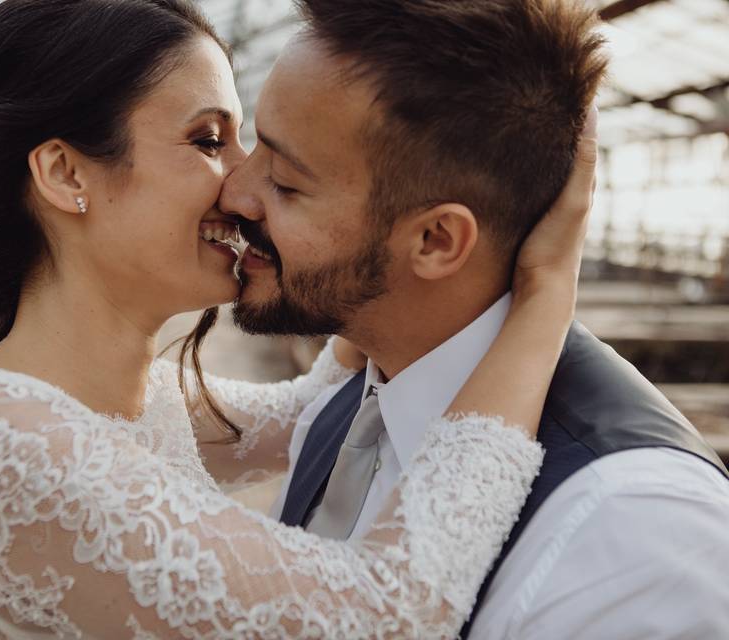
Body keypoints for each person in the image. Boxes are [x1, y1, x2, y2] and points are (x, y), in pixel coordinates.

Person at [0, 0, 597, 638]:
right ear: (67, 175)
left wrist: (360, 245)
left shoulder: (123, 399)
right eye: (208, 140)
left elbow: (313, 410)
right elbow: (380, 616)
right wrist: (544, 297)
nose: (244, 186)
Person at [218, 0, 729, 638]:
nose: (234, 192)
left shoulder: (636, 534)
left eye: (287, 183)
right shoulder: (348, 400)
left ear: (436, 240)